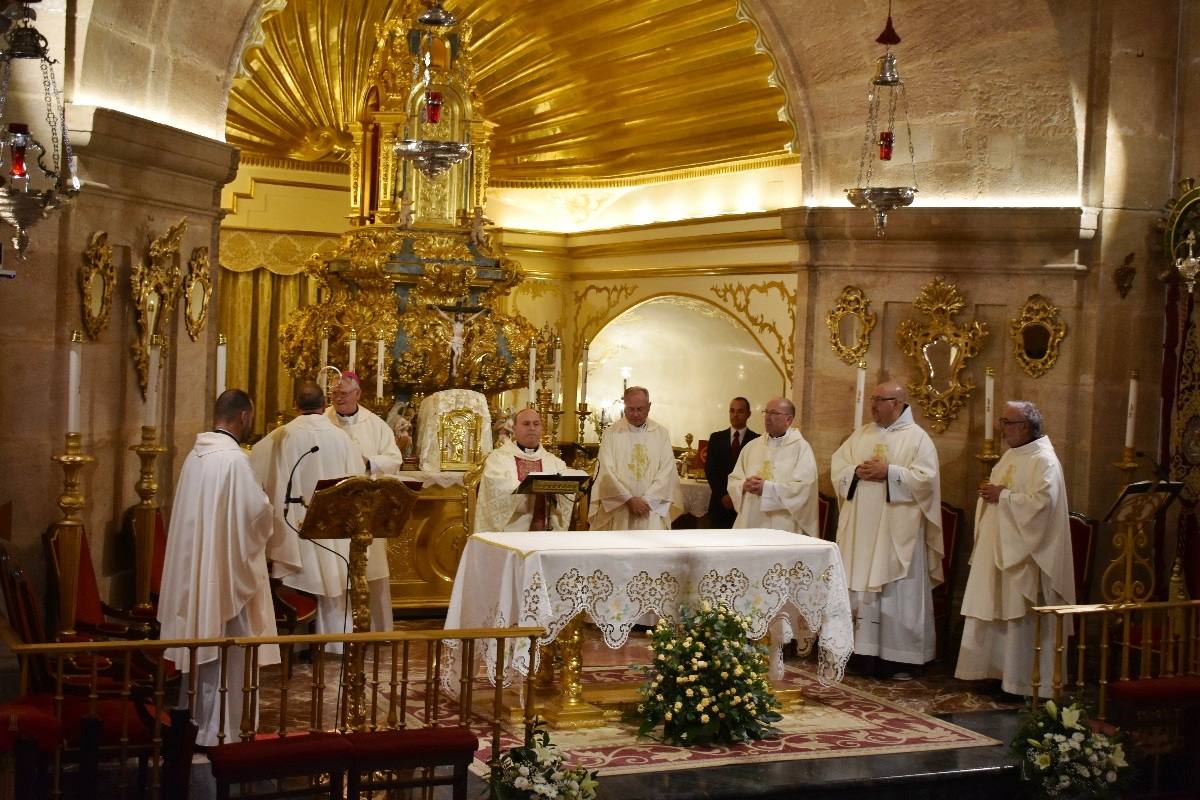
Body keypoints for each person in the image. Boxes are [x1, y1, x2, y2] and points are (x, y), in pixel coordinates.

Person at [157, 389, 300, 746]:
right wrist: (267, 502)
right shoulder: (235, 461)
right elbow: (254, 519)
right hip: (224, 575)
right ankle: (221, 733)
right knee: (229, 655)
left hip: (202, 571)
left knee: (204, 649)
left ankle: (197, 723)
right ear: (244, 417)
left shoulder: (196, 455)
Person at [956, 400, 1075, 696]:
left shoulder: (1044, 459)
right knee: (996, 609)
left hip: (1025, 556)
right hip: (999, 548)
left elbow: (1042, 505)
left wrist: (1004, 496)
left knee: (1018, 614)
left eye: (1006, 423)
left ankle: (1022, 681)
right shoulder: (1013, 455)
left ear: (1023, 426)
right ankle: (996, 674)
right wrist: (992, 495)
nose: (1002, 429)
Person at [831, 382, 942, 677]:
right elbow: (838, 465)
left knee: (896, 587)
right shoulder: (862, 433)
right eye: (872, 399)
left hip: (896, 531)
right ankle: (859, 654)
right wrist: (853, 472)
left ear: (897, 403)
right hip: (861, 531)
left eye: (880, 400)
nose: (873, 405)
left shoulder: (918, 439)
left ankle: (898, 659)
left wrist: (889, 472)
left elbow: (926, 481)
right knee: (859, 584)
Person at [249, 381, 369, 653]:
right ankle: (336, 643)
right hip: (336, 523)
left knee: (305, 573)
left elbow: (253, 462)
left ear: (295, 406)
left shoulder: (284, 435)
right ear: (324, 405)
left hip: (297, 523)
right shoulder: (342, 437)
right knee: (334, 573)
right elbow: (358, 477)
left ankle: (301, 644)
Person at [324, 372, 399, 632]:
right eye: (335, 394)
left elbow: (394, 459)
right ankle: (337, 634)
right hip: (334, 506)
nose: (338, 399)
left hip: (367, 507)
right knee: (335, 568)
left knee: (372, 567)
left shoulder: (375, 424)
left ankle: (375, 630)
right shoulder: (323, 422)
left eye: (344, 394)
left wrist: (370, 462)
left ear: (358, 394)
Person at [589, 386, 683, 531]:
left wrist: (647, 500)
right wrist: (628, 499)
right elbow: (606, 471)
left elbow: (667, 471)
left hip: (650, 509)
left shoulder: (660, 434)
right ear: (624, 406)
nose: (635, 414)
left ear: (649, 407)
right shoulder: (611, 433)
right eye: (630, 409)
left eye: (640, 409)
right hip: (619, 509)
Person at [728, 397, 819, 535]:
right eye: (766, 412)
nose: (767, 418)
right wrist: (743, 486)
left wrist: (767, 488)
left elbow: (804, 489)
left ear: (788, 419)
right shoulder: (752, 447)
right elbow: (734, 480)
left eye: (774, 413)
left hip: (783, 526)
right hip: (750, 522)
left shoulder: (801, 448)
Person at [474, 408, 575, 532]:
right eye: (526, 424)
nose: (532, 428)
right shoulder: (498, 459)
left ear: (541, 428)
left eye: (536, 424)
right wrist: (533, 492)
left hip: (548, 532)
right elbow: (495, 491)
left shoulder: (555, 463)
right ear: (514, 428)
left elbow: (567, 497)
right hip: (510, 534)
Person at [704, 397, 759, 528]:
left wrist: (736, 494)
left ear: (748, 414)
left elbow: (755, 472)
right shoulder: (716, 438)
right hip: (719, 503)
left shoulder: (756, 440)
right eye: (732, 411)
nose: (735, 415)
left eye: (740, 411)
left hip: (744, 504)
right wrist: (723, 495)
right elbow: (710, 470)